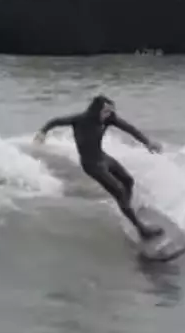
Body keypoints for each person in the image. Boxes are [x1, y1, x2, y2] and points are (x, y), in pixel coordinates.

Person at [33, 95, 165, 240]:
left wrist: (147, 142)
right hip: (91, 165)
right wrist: (42, 132)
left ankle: (127, 210)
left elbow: (129, 128)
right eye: (106, 112)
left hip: (102, 157)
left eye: (110, 112)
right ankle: (141, 230)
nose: (109, 115)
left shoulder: (108, 119)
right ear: (96, 110)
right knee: (119, 191)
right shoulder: (80, 120)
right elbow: (55, 121)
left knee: (128, 181)